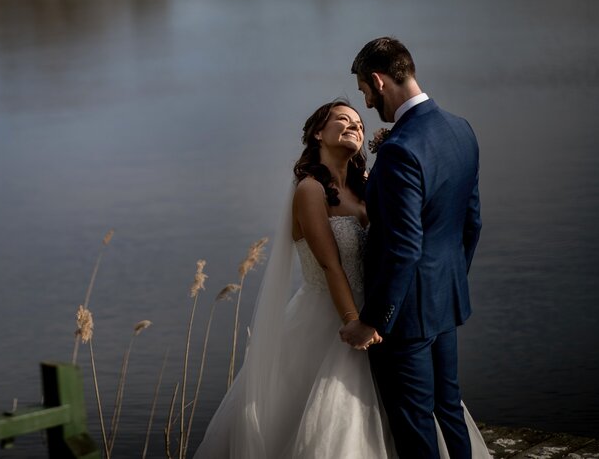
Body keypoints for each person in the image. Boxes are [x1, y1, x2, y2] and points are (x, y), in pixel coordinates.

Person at [193, 97, 488, 458]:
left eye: (360, 125)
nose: (355, 127)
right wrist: (354, 321)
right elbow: (332, 265)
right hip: (333, 316)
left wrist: (379, 316)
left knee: (416, 408)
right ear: (318, 133)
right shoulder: (309, 190)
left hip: (383, 313)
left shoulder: (368, 183)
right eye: (343, 120)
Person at [341, 37, 483, 459]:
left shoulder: (401, 150)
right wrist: (447, 282)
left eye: (365, 91)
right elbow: (471, 222)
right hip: (444, 300)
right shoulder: (461, 129)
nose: (366, 104)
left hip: (404, 316)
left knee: (414, 421)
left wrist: (373, 320)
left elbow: (403, 246)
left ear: (380, 81)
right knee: (448, 409)